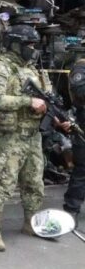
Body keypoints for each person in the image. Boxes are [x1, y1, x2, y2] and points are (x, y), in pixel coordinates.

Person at [0, 25, 69, 251]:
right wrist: (28, 101)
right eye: (28, 45)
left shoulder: (32, 69)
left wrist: (56, 117)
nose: (32, 49)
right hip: (10, 137)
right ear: (15, 45)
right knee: (3, 184)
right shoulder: (0, 67)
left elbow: (46, 100)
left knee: (34, 182)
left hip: (33, 136)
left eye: (34, 45)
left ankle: (31, 223)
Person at [65, 60, 85, 227]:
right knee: (82, 171)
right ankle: (71, 210)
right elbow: (79, 91)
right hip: (83, 128)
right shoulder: (81, 67)